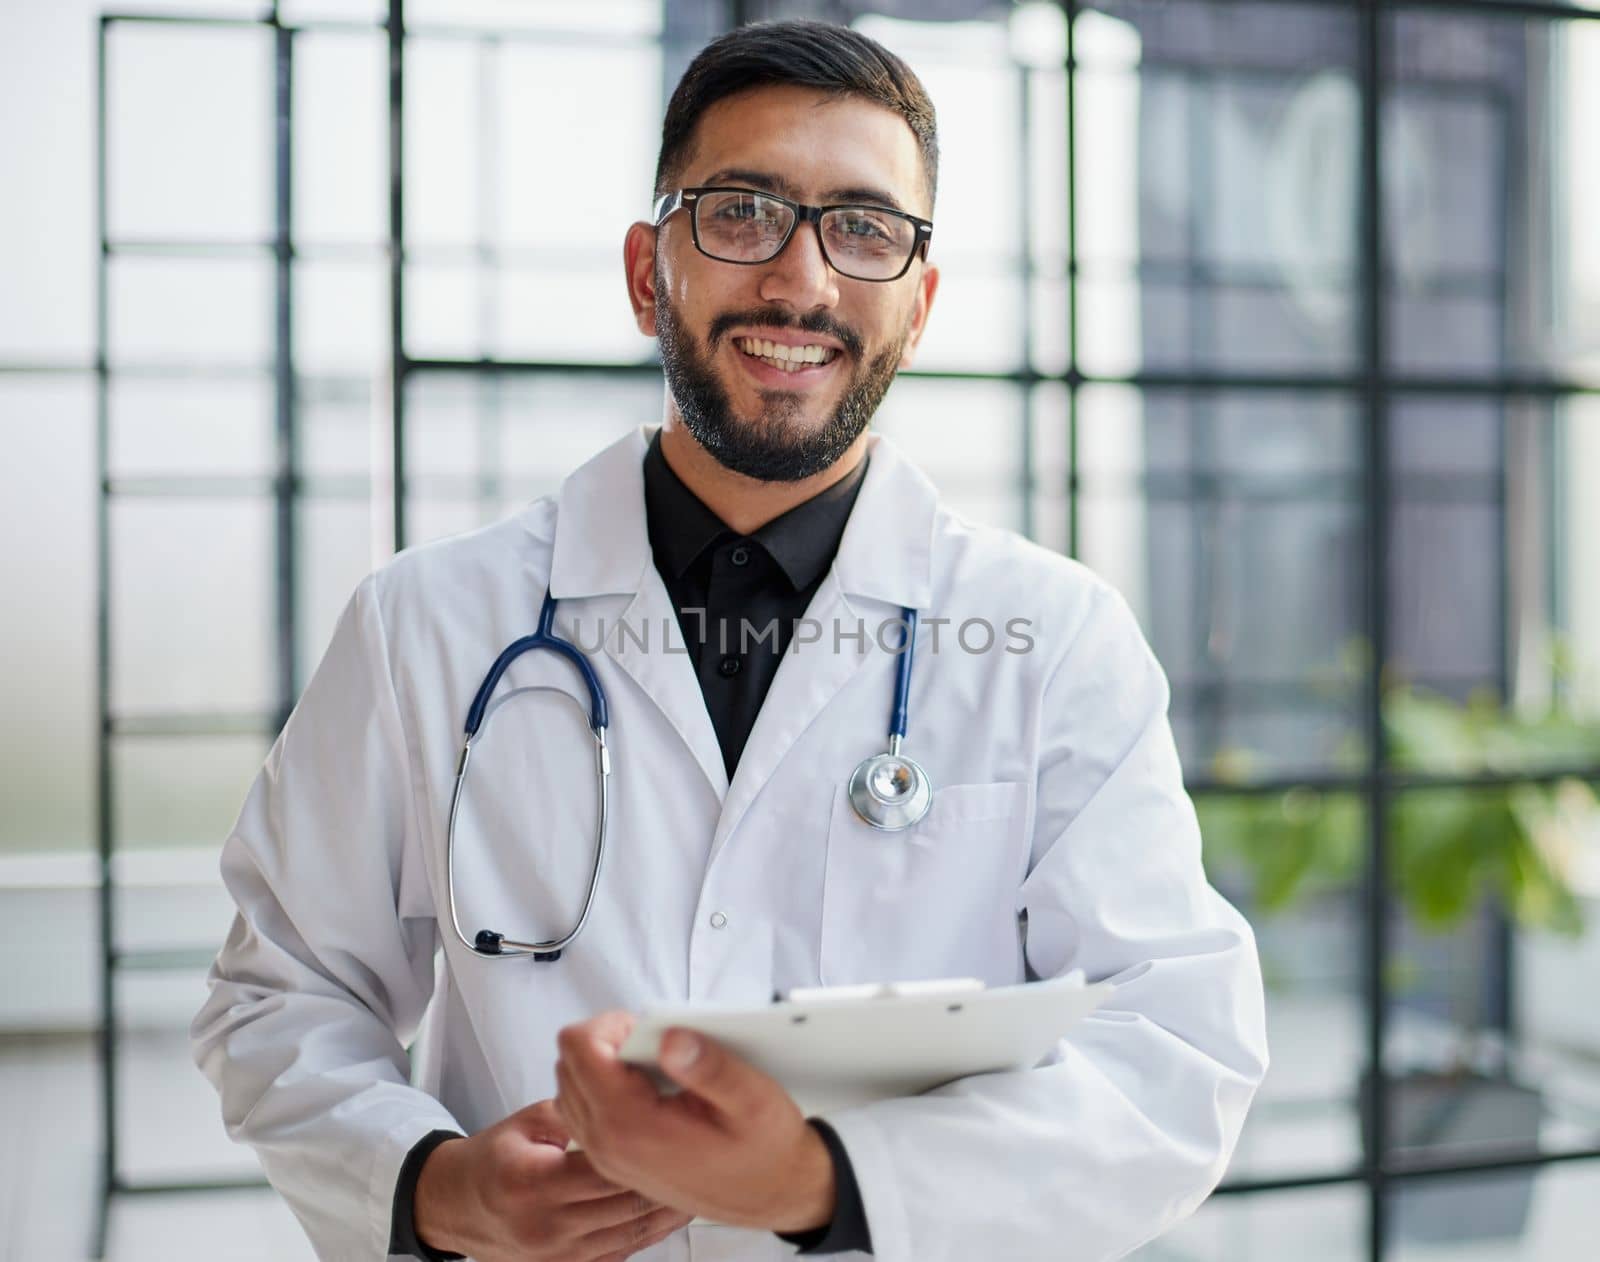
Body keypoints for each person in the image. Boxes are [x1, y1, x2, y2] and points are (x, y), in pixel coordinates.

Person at [192, 18, 1268, 1262]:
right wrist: (434, 1186)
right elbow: (280, 989)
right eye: (744, 211)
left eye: (863, 228)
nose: (802, 282)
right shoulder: (424, 624)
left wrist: (827, 1181)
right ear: (651, 271)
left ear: (916, 306)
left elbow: (1174, 1047)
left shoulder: (1057, 639)